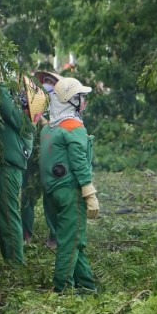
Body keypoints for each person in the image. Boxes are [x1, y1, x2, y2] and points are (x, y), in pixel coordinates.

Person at [39, 76, 99, 292]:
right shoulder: (74, 127)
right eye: (81, 97)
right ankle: (62, 290)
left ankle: (86, 286)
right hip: (70, 192)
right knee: (70, 242)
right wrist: (89, 192)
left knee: (74, 240)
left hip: (52, 193)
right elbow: (79, 162)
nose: (84, 102)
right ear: (72, 101)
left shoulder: (49, 128)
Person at [0, 74, 42, 265]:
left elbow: (3, 101)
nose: (18, 96)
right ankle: (10, 261)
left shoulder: (23, 121)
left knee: (8, 217)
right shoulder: (22, 119)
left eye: (22, 96)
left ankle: (15, 265)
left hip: (8, 170)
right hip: (3, 168)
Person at [23, 69, 63, 248]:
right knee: (27, 194)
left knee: (50, 195)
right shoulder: (33, 97)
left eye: (51, 81)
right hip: (31, 152)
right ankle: (25, 234)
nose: (48, 83)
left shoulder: (64, 103)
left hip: (51, 153)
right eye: (46, 80)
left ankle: (54, 236)